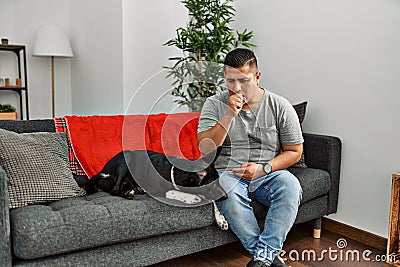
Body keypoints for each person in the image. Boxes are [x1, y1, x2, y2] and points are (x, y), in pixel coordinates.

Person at [197, 48, 303, 267]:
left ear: (257, 76)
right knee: (225, 191)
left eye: (243, 81)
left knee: (291, 185)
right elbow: (205, 148)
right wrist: (228, 115)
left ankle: (261, 260)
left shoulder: (279, 106)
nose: (236, 88)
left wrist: (263, 168)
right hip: (228, 172)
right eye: (230, 81)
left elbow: (294, 151)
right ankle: (266, 258)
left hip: (267, 172)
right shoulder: (214, 104)